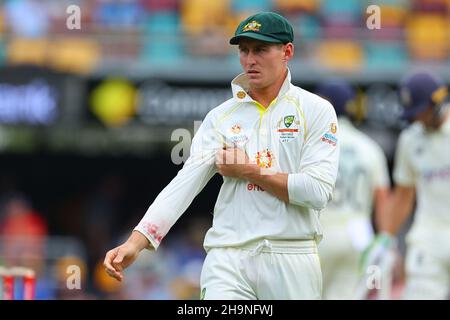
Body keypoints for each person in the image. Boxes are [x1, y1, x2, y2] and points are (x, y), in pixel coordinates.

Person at [104, 12, 340, 300]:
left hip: (292, 254)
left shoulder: (315, 110)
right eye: (244, 50)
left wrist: (250, 171)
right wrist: (136, 241)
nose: (250, 59)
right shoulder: (220, 117)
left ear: (287, 51)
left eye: (261, 49)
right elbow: (184, 183)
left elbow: (317, 192)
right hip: (229, 257)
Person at [361, 71, 450, 299]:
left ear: (438, 100)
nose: (418, 119)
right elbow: (403, 196)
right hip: (427, 239)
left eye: (422, 111)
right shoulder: (410, 139)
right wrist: (385, 238)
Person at [315, 80, 390, 299]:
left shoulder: (313, 143)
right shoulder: (370, 147)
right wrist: (385, 242)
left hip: (320, 232)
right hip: (360, 235)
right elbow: (382, 199)